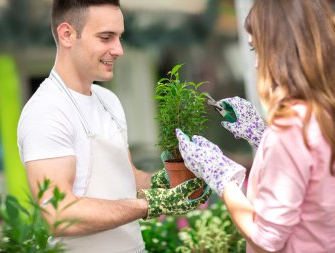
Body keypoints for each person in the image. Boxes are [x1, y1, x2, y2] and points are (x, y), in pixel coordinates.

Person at [17, 1, 210, 252]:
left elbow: (126, 178)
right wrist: (151, 205)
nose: (118, 49)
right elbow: (60, 215)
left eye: (119, 37)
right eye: (106, 37)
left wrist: (166, 182)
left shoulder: (108, 100)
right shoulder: (46, 111)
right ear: (67, 35)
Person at [176, 0, 335, 252]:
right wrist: (262, 137)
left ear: (282, 50)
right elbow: (317, 178)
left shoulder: (293, 126)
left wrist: (221, 175)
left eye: (257, 49)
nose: (257, 64)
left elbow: (266, 239)